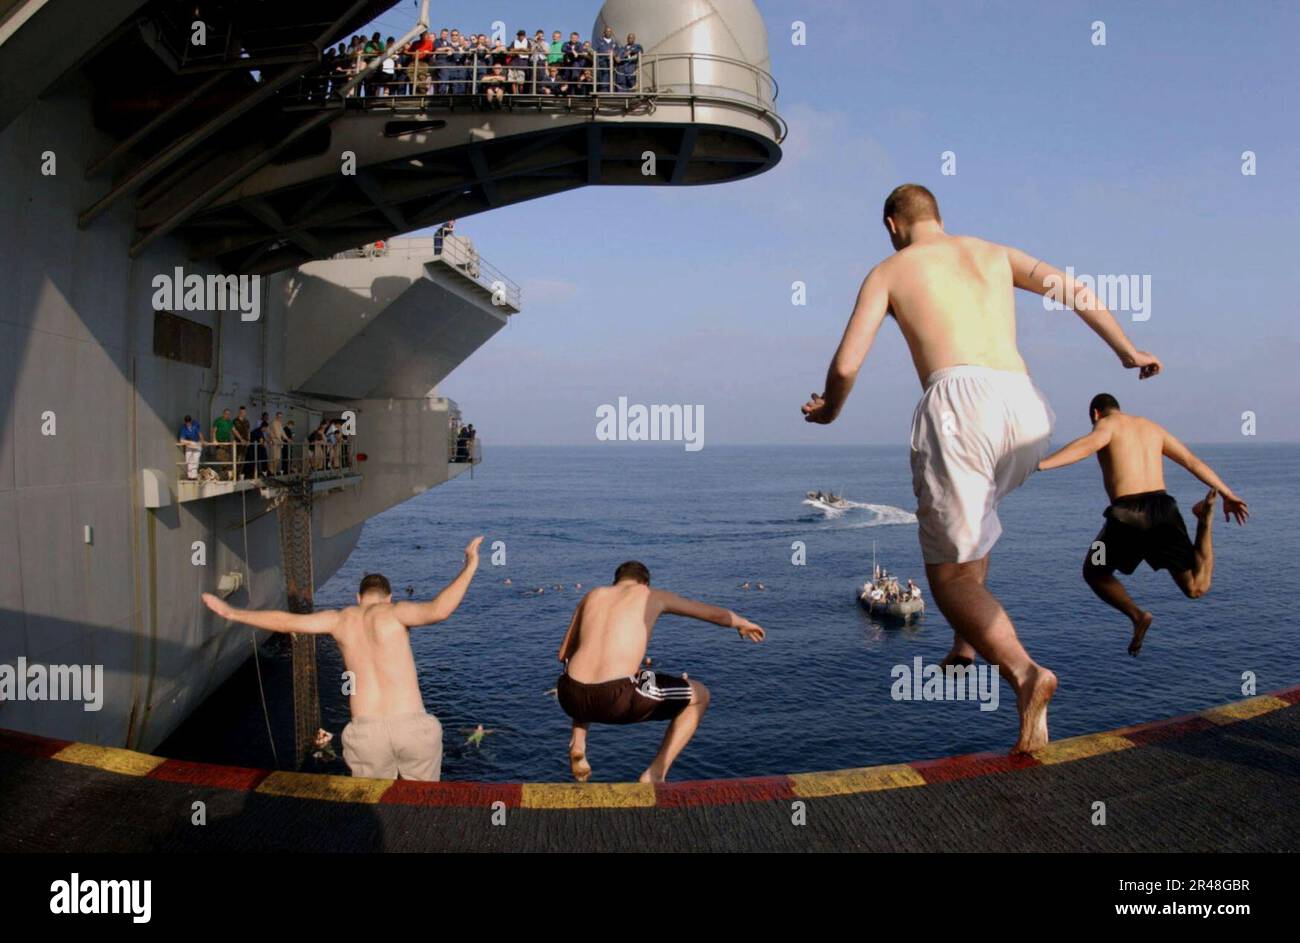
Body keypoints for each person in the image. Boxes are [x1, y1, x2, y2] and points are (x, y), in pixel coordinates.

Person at [801, 183, 1162, 753]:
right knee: (977, 516)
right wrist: (1127, 350)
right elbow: (1075, 290)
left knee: (946, 579)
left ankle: (1025, 674)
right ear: (938, 217)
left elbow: (846, 364)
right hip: (1024, 408)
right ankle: (967, 643)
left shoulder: (890, 270)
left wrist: (828, 410)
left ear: (892, 224)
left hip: (957, 405)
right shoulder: (995, 252)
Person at [202, 536, 484, 780]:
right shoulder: (396, 612)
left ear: (358, 598)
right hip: (412, 726)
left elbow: (286, 622)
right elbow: (439, 610)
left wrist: (233, 613)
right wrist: (470, 565)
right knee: (424, 807)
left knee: (374, 809)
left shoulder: (339, 620)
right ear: (388, 597)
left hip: (366, 732)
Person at [1037, 394, 1248, 655]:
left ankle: (1137, 615)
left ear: (1095, 414)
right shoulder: (1152, 427)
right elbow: (1192, 461)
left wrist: (1040, 464)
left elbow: (1086, 446)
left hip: (1127, 515)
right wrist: (1228, 494)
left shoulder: (1106, 425)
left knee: (1095, 572)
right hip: (1164, 510)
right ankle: (1204, 521)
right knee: (1196, 587)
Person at [555, 560, 766, 783]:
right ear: (645, 582)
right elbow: (716, 615)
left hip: (570, 696)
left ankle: (578, 743)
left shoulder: (593, 595)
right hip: (616, 697)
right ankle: (656, 773)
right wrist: (742, 623)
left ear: (615, 582)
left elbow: (562, 655)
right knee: (700, 695)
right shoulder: (652, 595)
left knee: (581, 671)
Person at [178, 415, 204, 479]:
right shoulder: (183, 428)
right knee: (188, 460)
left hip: (197, 444)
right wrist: (189, 442)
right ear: (185, 422)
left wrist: (202, 441)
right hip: (189, 445)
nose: (188, 423)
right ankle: (190, 476)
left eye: (189, 422)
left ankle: (194, 476)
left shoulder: (195, 425)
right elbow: (181, 440)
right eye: (187, 422)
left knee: (195, 460)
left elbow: (200, 434)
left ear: (191, 421)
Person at [211, 408, 234, 479]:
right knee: (220, 458)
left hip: (227, 442)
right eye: (227, 414)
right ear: (223, 414)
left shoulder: (229, 422)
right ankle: (221, 475)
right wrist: (214, 439)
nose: (228, 415)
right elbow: (214, 430)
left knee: (228, 459)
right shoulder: (218, 421)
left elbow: (233, 430)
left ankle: (227, 475)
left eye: (229, 414)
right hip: (220, 443)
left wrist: (236, 439)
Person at [593, 26, 618, 92]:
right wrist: (606, 52)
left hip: (612, 63)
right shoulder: (599, 40)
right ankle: (603, 91)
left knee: (610, 77)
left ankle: (608, 91)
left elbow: (618, 51)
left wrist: (614, 53)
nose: (608, 33)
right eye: (607, 31)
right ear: (604, 32)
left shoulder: (614, 42)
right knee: (604, 76)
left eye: (610, 31)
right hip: (602, 62)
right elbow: (595, 50)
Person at [232, 406, 251, 480]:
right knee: (237, 460)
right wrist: (241, 439)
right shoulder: (235, 421)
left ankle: (239, 475)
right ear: (239, 412)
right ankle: (235, 476)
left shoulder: (247, 421)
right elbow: (234, 431)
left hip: (245, 443)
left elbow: (248, 431)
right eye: (241, 412)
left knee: (242, 460)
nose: (242, 413)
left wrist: (249, 440)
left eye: (244, 412)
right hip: (238, 443)